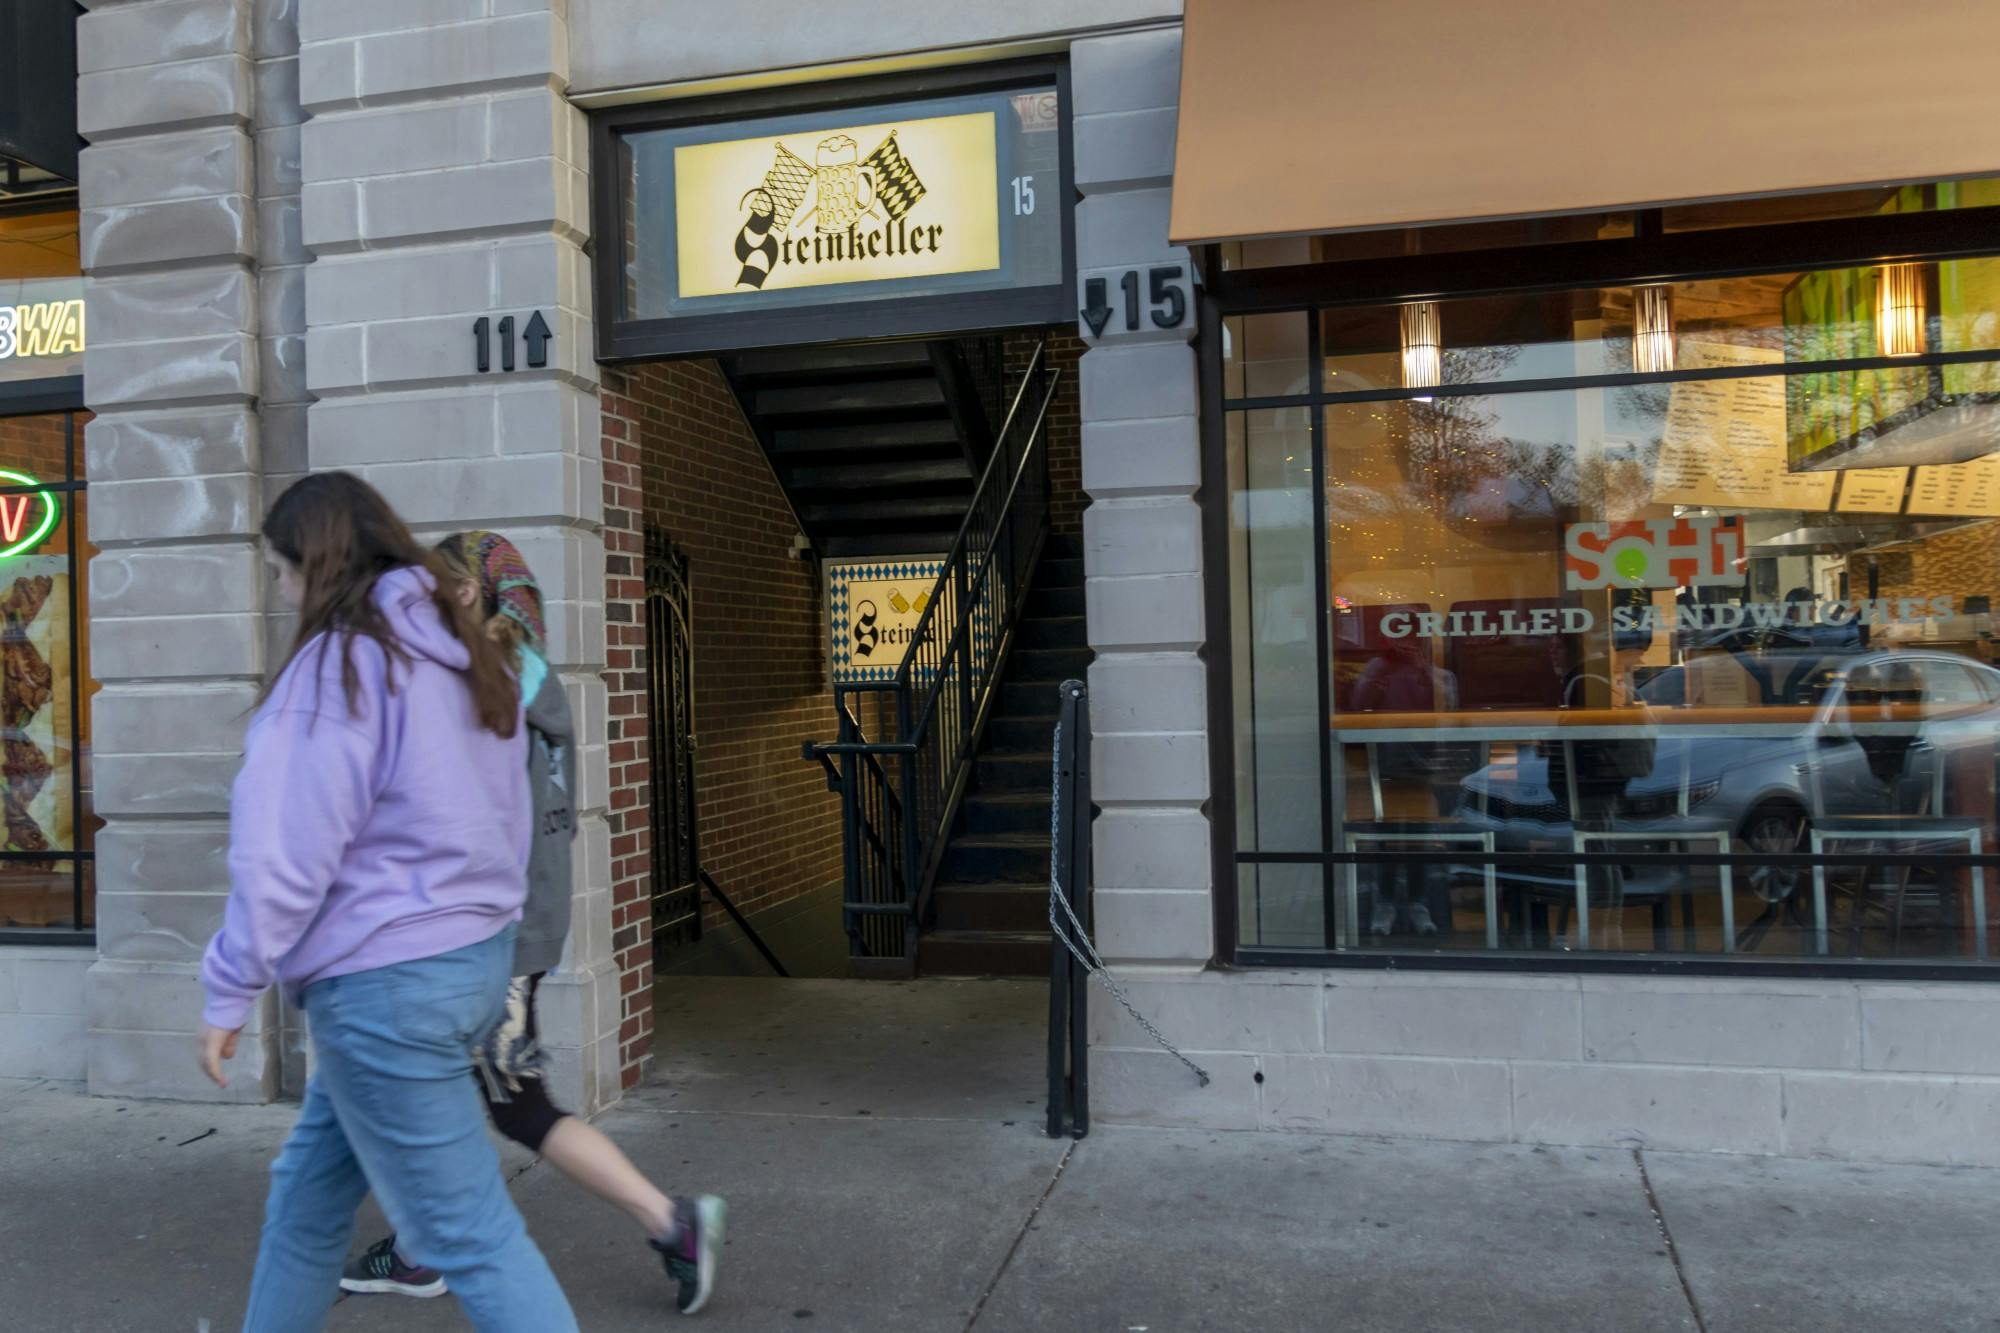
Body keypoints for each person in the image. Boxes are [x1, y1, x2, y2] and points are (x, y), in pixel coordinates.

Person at [198, 473, 577, 1331]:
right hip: (463, 966)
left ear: (319, 559)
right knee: (306, 1198)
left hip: (383, 987)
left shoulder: (337, 670)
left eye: (282, 568)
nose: (282, 586)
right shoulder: (468, 651)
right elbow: (508, 818)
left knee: (473, 1236)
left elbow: (279, 858)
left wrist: (229, 987)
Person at [339, 531, 725, 1316]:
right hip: (521, 927)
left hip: (491, 934)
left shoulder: (483, 686)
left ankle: (671, 1221)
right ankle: (421, 1246)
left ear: (470, 594)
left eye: (435, 592)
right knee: (441, 1085)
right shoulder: (532, 676)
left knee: (514, 1101)